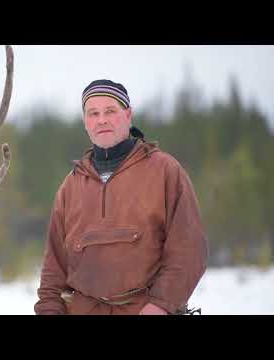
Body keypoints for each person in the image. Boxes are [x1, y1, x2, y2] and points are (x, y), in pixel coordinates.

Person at [34, 79, 208, 315]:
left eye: (110, 111)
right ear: (85, 122)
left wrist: (160, 306)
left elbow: (188, 249)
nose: (101, 120)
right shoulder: (71, 186)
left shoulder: (164, 170)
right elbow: (54, 272)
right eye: (93, 113)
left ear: (128, 114)